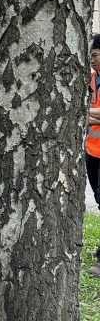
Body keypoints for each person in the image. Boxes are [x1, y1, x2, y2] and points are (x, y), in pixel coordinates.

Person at [86, 34, 100, 276]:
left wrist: (88, 112)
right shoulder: (91, 80)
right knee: (98, 200)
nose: (91, 61)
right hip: (92, 150)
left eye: (95, 55)